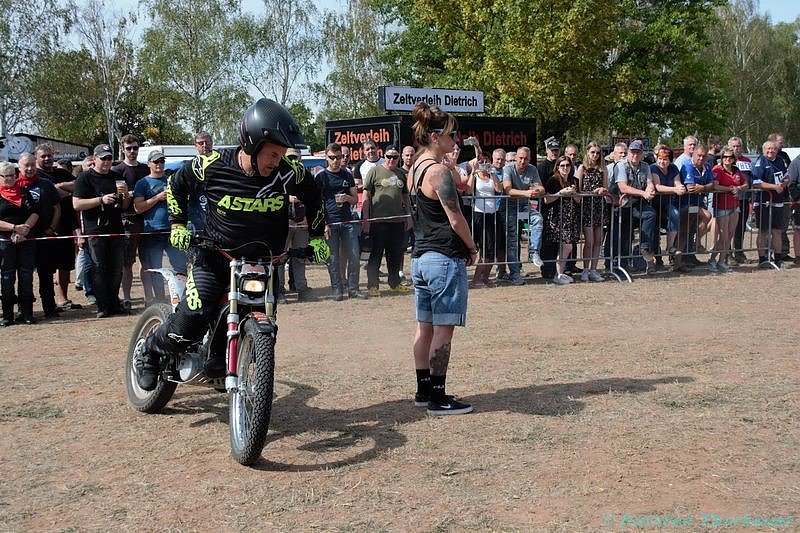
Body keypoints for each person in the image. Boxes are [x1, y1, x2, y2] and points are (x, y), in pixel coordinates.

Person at [136, 98, 329, 391]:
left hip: (264, 263)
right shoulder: (212, 165)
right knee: (194, 316)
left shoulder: (289, 172)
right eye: (272, 154)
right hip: (214, 256)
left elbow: (315, 197)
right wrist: (177, 224)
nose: (277, 162)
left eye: (282, 155)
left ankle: (221, 359)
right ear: (251, 144)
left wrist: (316, 237)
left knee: (268, 324)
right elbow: (176, 185)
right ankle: (150, 351)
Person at [407, 101, 478, 416]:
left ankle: (424, 392)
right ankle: (438, 397)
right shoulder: (436, 172)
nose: (455, 140)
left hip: (420, 257)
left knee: (424, 328)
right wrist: (472, 247)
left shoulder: (414, 169)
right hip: (443, 258)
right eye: (451, 134)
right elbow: (455, 218)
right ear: (435, 137)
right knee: (443, 330)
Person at [73, 144, 130, 318]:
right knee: (99, 268)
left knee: (117, 269)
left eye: (109, 158)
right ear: (94, 159)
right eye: (103, 158)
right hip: (96, 230)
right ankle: (102, 305)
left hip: (116, 229)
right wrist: (100, 200)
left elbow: (125, 206)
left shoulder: (116, 177)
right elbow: (77, 204)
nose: (106, 162)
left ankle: (114, 302)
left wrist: (125, 195)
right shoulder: (85, 178)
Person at [133, 150, 187, 306]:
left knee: (180, 266)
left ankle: (181, 297)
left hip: (172, 229)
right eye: (156, 162)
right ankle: (159, 299)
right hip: (152, 231)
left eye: (162, 161)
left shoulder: (171, 180)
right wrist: (157, 198)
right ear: (149, 164)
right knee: (156, 268)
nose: (159, 164)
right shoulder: (142, 183)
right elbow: (138, 208)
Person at [315, 142, 366, 301]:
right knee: (333, 259)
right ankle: (337, 289)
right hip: (330, 224)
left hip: (347, 222)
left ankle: (353, 289)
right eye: (332, 158)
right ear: (326, 157)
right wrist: (323, 224)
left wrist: (346, 198)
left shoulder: (347, 175)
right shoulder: (321, 177)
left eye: (339, 157)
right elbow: (317, 204)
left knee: (354, 256)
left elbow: (354, 200)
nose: (336, 160)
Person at [34, 144, 81, 311]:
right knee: (46, 267)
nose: (47, 159)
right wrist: (59, 192)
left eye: (49, 155)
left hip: (65, 226)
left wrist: (59, 186)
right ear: (36, 158)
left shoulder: (61, 173)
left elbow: (79, 186)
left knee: (65, 265)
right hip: (44, 228)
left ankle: (63, 299)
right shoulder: (36, 175)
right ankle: (49, 302)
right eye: (43, 156)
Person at [362, 146, 412, 296]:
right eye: (389, 156)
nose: (391, 160)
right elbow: (366, 195)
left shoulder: (401, 174)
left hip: (397, 221)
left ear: (398, 158)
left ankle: (395, 283)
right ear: (384, 156)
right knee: (376, 254)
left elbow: (405, 197)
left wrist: (408, 215)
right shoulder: (375, 171)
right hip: (378, 221)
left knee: (395, 254)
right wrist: (366, 219)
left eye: (395, 157)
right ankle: (372, 286)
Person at [16, 152, 61, 317]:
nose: (29, 169)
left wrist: (51, 228)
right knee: (24, 275)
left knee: (46, 273)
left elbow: (57, 208)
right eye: (25, 166)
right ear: (19, 167)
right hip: (23, 237)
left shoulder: (46, 184)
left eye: (32, 165)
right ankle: (24, 309)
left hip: (43, 235)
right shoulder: (14, 185)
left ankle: (50, 307)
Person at [112, 134, 150, 312]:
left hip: (147, 219)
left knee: (148, 262)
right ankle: (126, 298)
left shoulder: (145, 168)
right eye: (129, 148)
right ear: (122, 149)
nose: (132, 151)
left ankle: (149, 297)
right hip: (127, 219)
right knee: (127, 263)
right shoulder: (117, 170)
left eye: (135, 148)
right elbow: (119, 199)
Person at [0, 162, 39, 325]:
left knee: (26, 276)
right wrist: (14, 228)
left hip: (25, 239)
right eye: (5, 176)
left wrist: (25, 230)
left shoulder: (24, 193)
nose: (10, 178)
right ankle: (8, 315)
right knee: (7, 277)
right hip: (4, 242)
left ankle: (27, 313)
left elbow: (35, 213)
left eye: (12, 175)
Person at [611, 140, 657, 273]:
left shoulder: (645, 166)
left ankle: (644, 247)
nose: (635, 155)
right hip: (620, 205)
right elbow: (623, 187)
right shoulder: (621, 165)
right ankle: (618, 265)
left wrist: (650, 189)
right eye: (632, 152)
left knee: (650, 214)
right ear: (628, 153)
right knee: (623, 236)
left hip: (636, 203)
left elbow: (649, 182)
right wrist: (644, 193)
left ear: (642, 154)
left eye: (638, 152)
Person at [502, 146, 545, 285]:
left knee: (538, 219)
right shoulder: (508, 168)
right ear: (515, 158)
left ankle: (533, 252)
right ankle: (515, 273)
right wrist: (527, 193)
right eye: (520, 158)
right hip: (509, 206)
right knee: (513, 240)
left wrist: (537, 190)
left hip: (525, 206)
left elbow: (541, 187)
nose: (522, 161)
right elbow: (508, 189)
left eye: (526, 158)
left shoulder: (532, 169)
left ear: (529, 159)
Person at [276, 148, 313, 303]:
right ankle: (279, 291)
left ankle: (301, 289)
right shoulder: (277, 175)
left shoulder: (306, 177)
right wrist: (286, 198)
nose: (293, 160)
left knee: (299, 257)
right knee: (279, 259)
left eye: (296, 157)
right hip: (281, 223)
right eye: (290, 157)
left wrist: (307, 219)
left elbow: (314, 200)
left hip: (301, 223)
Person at [542, 156, 581, 284]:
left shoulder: (574, 180)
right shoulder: (553, 180)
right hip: (556, 218)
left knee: (567, 246)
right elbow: (546, 199)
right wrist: (560, 193)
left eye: (567, 165)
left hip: (571, 217)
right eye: (562, 165)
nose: (565, 168)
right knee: (566, 246)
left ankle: (560, 273)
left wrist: (573, 193)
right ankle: (558, 274)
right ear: (557, 167)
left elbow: (579, 200)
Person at [708, 146, 747, 272]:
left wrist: (739, 188)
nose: (727, 159)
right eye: (725, 156)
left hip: (734, 206)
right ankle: (713, 259)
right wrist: (730, 189)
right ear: (721, 158)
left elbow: (745, 184)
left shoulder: (736, 170)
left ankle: (721, 260)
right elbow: (715, 186)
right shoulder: (717, 169)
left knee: (730, 235)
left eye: (730, 157)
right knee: (723, 235)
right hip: (721, 206)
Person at [575, 141, 608, 281]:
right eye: (592, 152)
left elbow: (606, 187)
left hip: (599, 206)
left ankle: (594, 269)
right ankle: (586, 269)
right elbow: (577, 188)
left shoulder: (603, 169)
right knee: (589, 241)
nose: (595, 155)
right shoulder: (582, 168)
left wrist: (602, 190)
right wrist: (588, 193)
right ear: (587, 153)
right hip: (587, 206)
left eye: (597, 152)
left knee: (598, 241)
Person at [752, 140, 788, 267]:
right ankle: (762, 259)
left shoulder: (779, 160)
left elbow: (786, 176)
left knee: (777, 231)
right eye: (768, 149)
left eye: (773, 149)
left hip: (778, 201)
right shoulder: (761, 161)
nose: (770, 151)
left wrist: (784, 183)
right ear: (763, 150)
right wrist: (774, 187)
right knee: (763, 231)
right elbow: (756, 182)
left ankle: (778, 259)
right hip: (763, 201)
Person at [650, 146, 685, 270]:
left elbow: (677, 182)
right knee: (653, 234)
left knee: (675, 214)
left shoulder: (674, 168)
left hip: (668, 203)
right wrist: (675, 189)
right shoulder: (653, 168)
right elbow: (658, 186)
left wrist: (680, 187)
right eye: (660, 158)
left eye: (665, 159)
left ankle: (670, 247)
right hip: (653, 205)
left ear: (670, 160)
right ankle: (656, 260)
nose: (662, 162)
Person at [678, 144, 714, 266]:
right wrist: (704, 187)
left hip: (698, 202)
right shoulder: (687, 166)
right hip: (685, 203)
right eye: (699, 155)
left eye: (704, 156)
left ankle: (690, 253)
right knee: (706, 217)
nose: (701, 158)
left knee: (691, 229)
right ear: (693, 155)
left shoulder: (707, 167)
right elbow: (691, 187)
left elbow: (712, 185)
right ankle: (680, 258)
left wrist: (703, 187)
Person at [469, 165, 503, 288]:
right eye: (482, 162)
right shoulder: (475, 176)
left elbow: (499, 189)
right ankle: (476, 279)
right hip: (479, 214)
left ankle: (486, 277)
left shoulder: (492, 176)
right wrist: (473, 172)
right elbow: (468, 190)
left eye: (487, 162)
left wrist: (493, 174)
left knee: (491, 249)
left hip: (493, 213)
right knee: (484, 248)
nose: (484, 165)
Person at [727, 136, 753, 265]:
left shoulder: (747, 161)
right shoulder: (726, 161)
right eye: (733, 146)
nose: (736, 149)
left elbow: (750, 180)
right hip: (729, 200)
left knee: (741, 227)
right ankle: (728, 253)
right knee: (729, 227)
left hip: (744, 199)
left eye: (738, 146)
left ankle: (739, 251)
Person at [787, 152, 800, 265]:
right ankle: (798, 256)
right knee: (798, 229)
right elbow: (791, 184)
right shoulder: (796, 163)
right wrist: (797, 198)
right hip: (799, 202)